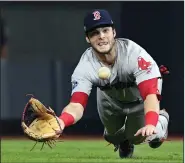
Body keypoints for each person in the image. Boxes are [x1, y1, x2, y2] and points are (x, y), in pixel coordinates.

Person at [57, 9, 169, 158]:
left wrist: (150, 123)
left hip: (139, 99)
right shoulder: (85, 66)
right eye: (95, 33)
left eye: (105, 30)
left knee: (138, 136)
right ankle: (123, 142)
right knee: (112, 136)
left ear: (114, 32)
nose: (101, 36)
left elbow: (150, 94)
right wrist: (62, 121)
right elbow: (77, 104)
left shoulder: (134, 55)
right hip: (109, 98)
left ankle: (161, 123)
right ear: (87, 38)